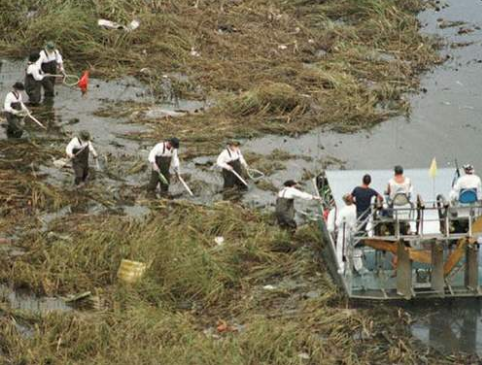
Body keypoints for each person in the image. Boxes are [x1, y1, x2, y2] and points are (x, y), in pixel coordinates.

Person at [335, 194, 357, 274]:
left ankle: (342, 268)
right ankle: (355, 267)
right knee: (353, 249)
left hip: (343, 231)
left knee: (341, 250)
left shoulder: (343, 211)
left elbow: (337, 223)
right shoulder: (355, 208)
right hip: (354, 230)